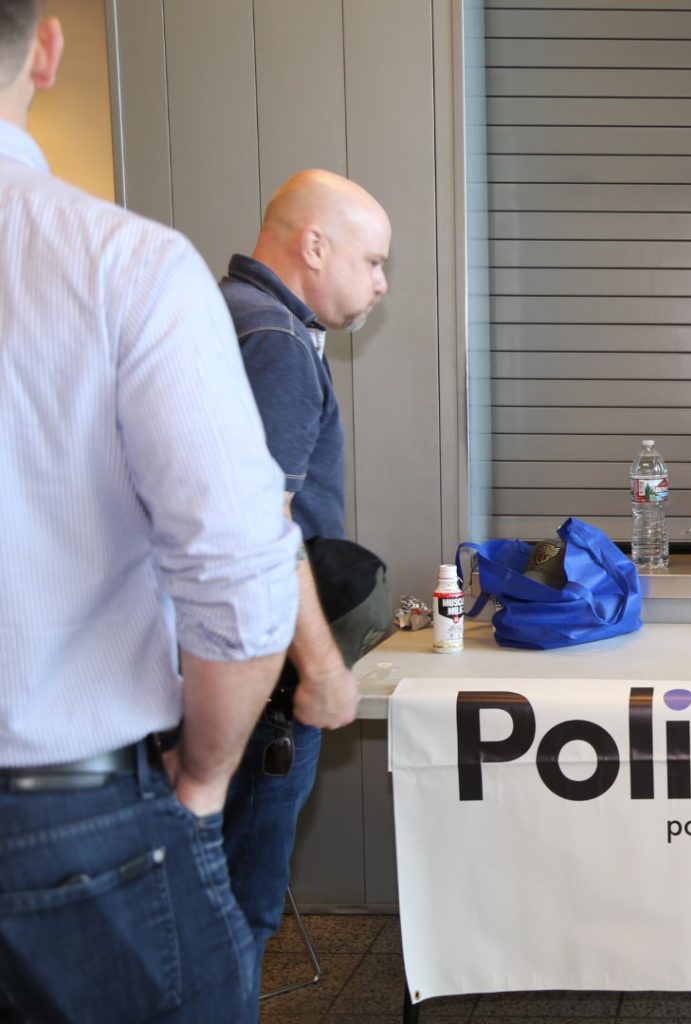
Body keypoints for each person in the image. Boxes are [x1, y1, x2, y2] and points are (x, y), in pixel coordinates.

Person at [0, 2, 301, 1019]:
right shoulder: (120, 265)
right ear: (48, 48)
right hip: (66, 825)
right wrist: (205, 779)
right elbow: (240, 570)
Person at [217, 168, 390, 972]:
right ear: (315, 245)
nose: (381, 284)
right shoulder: (277, 343)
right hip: (262, 679)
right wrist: (319, 668)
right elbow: (261, 527)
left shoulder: (225, 313)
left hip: (213, 664)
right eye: (374, 261)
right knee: (240, 912)